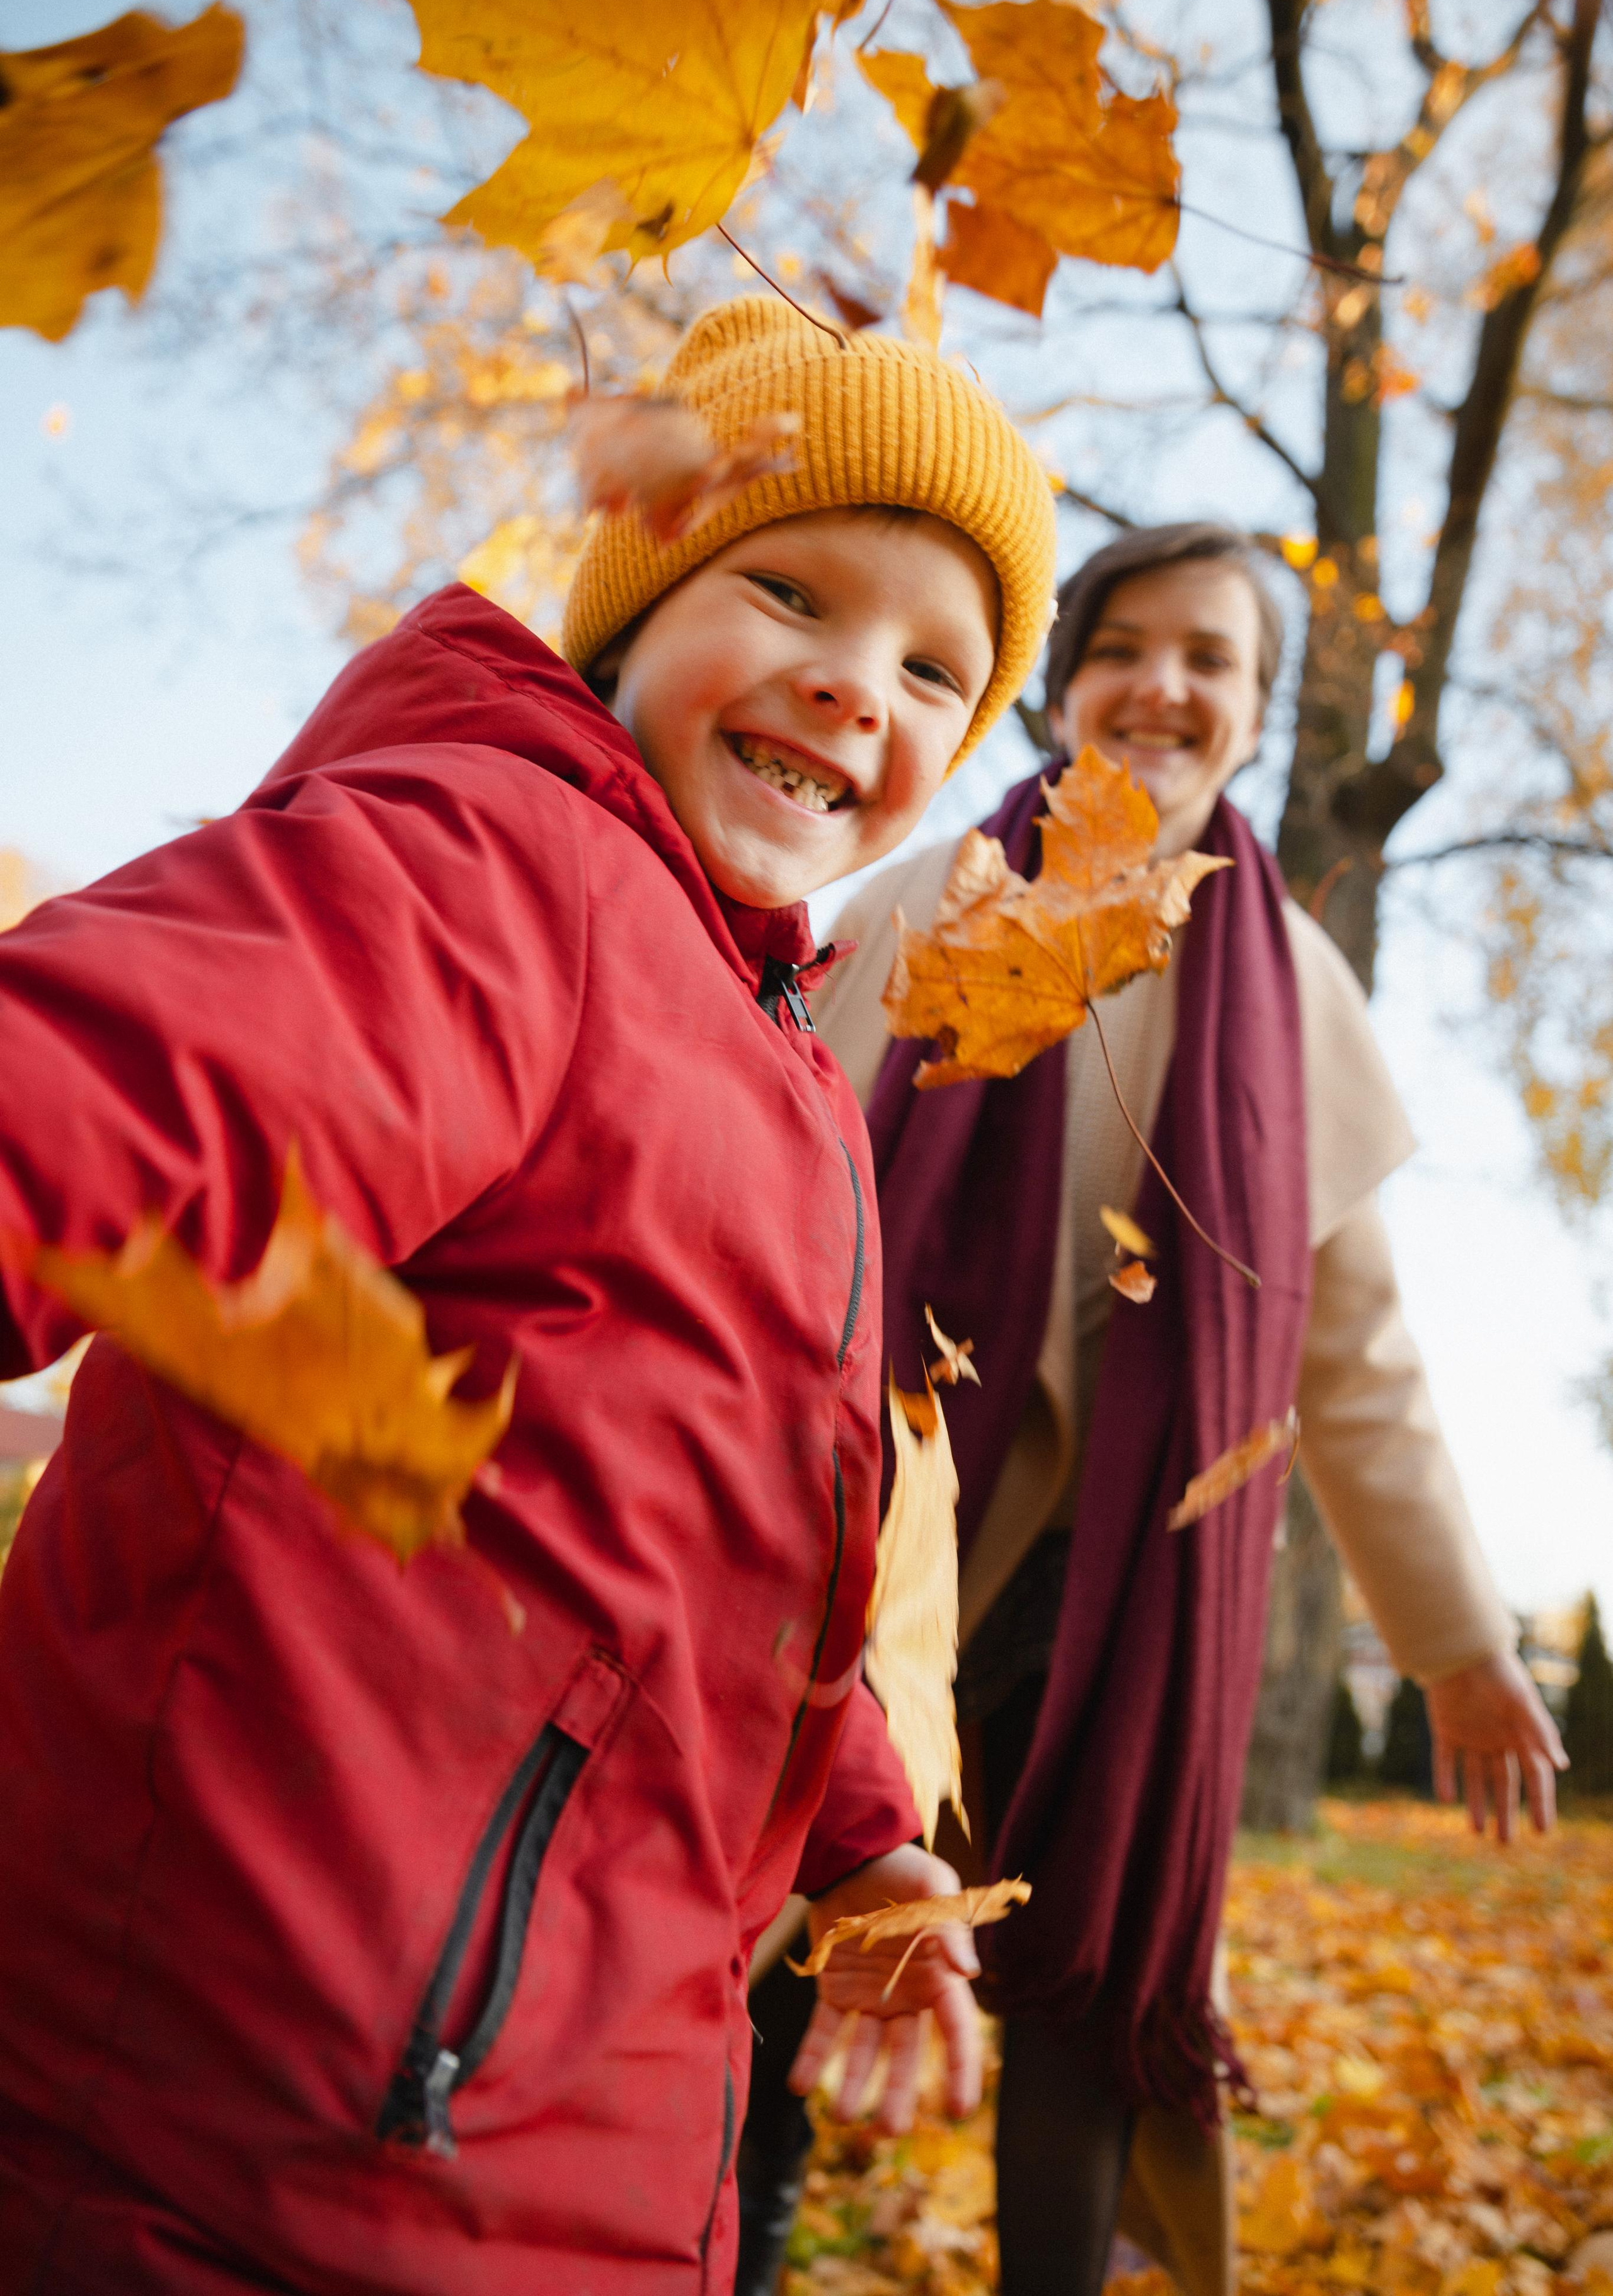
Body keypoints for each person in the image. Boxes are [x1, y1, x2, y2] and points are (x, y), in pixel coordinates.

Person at [0, 295, 1058, 2293]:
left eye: (936, 663)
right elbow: (109, 1082)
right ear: (638, 606)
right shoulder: (505, 872)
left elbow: (743, 1541)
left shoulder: (791, 1071)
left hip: (565, 2132)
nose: (856, 687)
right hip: (250, 2123)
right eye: (793, 592)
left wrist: (866, 1837)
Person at [747, 522, 1566, 2296]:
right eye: (1128, 646)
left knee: (1096, 1985)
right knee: (768, 1944)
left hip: (1119, 1587)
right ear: (1066, 677)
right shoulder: (926, 894)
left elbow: (1353, 1357)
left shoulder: (1290, 990)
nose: (1165, 685)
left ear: (1257, 713)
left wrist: (1456, 1640)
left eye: (1214, 658)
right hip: (874, 1546)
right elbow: (770, 1178)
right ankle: (721, 2243)